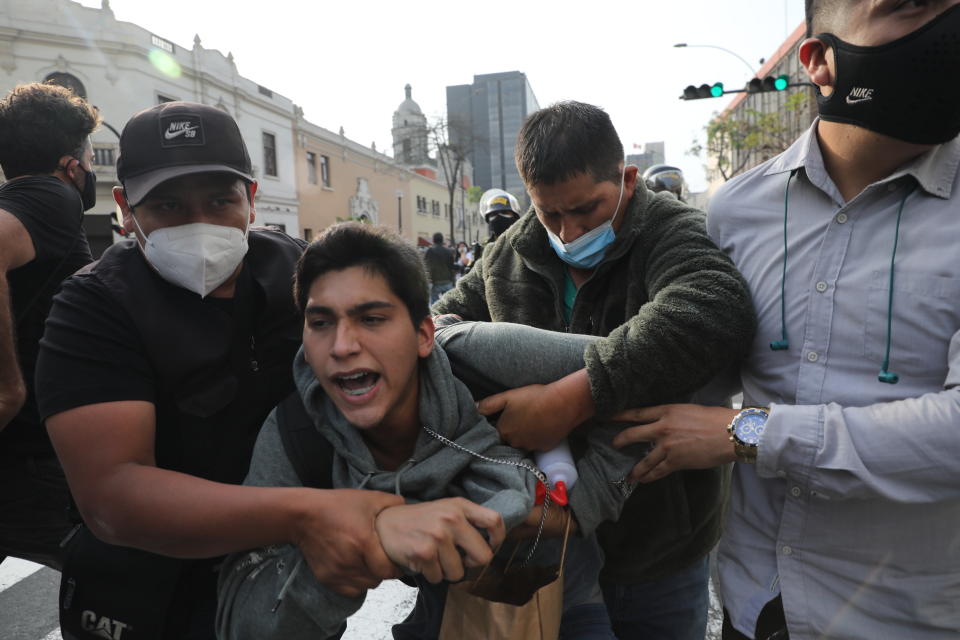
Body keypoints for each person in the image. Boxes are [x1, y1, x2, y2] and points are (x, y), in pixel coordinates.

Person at [610, 2, 960, 638]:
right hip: (756, 610)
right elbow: (689, 386)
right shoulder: (735, 210)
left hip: (914, 619)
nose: (945, 29)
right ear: (820, 59)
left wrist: (750, 434)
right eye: (909, 8)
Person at [35, 102, 412, 639]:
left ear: (251, 199)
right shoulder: (94, 307)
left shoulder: (301, 273)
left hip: (290, 589)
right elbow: (114, 497)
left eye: (220, 200)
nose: (200, 224)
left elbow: (400, 349)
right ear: (125, 207)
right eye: (167, 205)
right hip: (155, 597)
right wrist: (309, 515)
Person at [218, 223, 637, 639]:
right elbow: (243, 619)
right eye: (321, 323)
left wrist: (578, 508)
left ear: (423, 335)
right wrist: (352, 553)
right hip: (444, 603)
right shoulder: (298, 434)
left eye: (372, 318)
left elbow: (647, 373)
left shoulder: (481, 357)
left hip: (561, 588)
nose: (342, 346)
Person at [433, 100, 757, 639]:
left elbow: (712, 309)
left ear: (628, 179)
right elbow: (446, 320)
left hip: (658, 545)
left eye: (587, 209)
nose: (569, 230)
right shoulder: (509, 252)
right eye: (550, 212)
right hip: (545, 542)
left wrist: (570, 398)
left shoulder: (674, 231)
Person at [0, 82, 99, 570]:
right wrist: (8, 388)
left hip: (20, 454)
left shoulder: (19, 197)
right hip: (30, 458)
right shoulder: (53, 197)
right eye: (87, 153)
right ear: (71, 164)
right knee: (118, 580)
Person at [424, 231, 456, 304]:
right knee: (449, 303)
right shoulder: (448, 251)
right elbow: (452, 266)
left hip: (436, 281)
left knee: (435, 304)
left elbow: (425, 265)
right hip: (448, 280)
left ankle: (437, 314)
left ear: (433, 240)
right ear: (442, 240)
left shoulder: (430, 251)